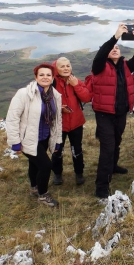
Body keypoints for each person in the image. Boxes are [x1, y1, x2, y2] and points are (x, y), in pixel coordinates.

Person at [91, 23, 134, 198]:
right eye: (111, 48)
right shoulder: (99, 66)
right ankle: (101, 187)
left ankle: (113, 167)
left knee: (117, 141)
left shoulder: (125, 66)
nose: (114, 49)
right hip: (104, 114)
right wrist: (115, 37)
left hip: (121, 113)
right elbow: (101, 54)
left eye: (117, 47)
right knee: (107, 148)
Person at [6, 63, 62, 207]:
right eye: (41, 74)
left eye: (48, 75)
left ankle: (34, 188)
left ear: (53, 77)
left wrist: (57, 140)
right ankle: (43, 195)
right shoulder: (24, 94)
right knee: (45, 165)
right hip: (28, 138)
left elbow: (57, 120)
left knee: (35, 164)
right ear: (36, 77)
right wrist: (15, 142)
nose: (45, 77)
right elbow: (12, 118)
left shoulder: (54, 95)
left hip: (44, 137)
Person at [50, 57, 92, 186]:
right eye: (62, 66)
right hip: (58, 123)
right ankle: (57, 174)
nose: (66, 68)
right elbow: (44, 101)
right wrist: (59, 108)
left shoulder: (75, 81)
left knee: (77, 149)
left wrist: (76, 86)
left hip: (76, 122)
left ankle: (79, 173)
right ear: (56, 69)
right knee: (57, 150)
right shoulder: (51, 82)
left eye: (68, 66)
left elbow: (87, 97)